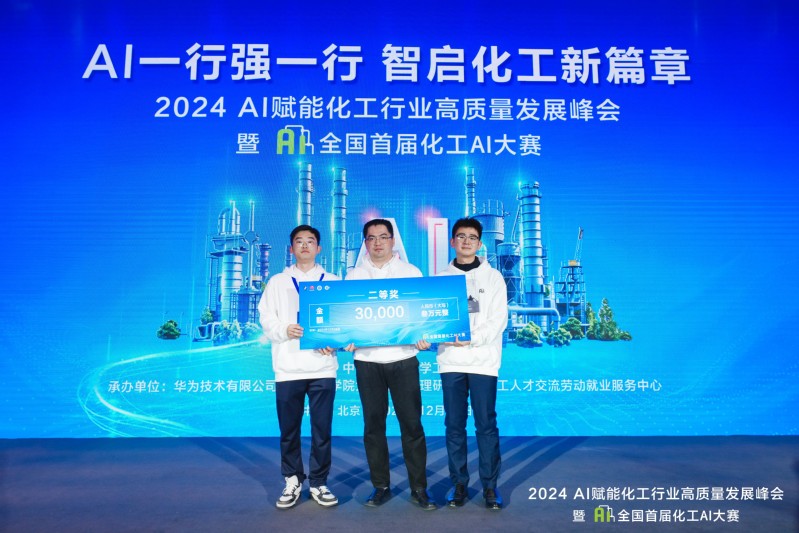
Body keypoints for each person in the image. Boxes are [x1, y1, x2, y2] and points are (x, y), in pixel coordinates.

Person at [344, 219, 436, 510]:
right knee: (373, 426)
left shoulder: (411, 272)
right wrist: (345, 337)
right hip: (367, 361)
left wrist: (425, 336)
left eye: (383, 237)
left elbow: (423, 315)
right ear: (365, 243)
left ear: (393, 240)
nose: (378, 243)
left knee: (412, 425)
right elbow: (344, 317)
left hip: (404, 359)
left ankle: (419, 488)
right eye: (372, 238)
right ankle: (380, 486)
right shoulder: (354, 276)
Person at [258, 225, 340, 509]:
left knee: (322, 429)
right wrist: (284, 329)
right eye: (299, 241)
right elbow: (266, 318)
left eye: (310, 241)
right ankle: (292, 480)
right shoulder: (278, 282)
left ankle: (319, 482)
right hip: (288, 366)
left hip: (322, 368)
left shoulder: (332, 281)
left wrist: (334, 342)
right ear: (291, 249)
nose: (305, 245)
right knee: (289, 429)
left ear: (319, 248)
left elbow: (342, 320)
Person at [434, 217, 508, 510]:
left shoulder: (494, 278)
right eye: (461, 236)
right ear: (452, 241)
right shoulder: (440, 279)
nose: (466, 242)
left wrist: (470, 339)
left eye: (472, 237)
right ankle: (459, 484)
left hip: (483, 362)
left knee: (485, 424)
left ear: (479, 243)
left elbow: (498, 320)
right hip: (451, 361)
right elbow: (432, 319)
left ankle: (490, 486)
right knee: (454, 425)